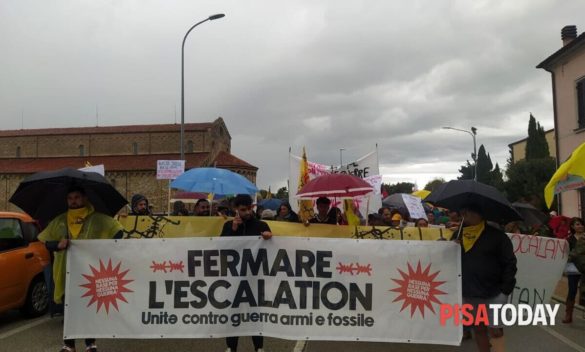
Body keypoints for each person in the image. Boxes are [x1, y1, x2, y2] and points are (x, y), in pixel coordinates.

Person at [38, 186, 124, 352]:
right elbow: (44, 242)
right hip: (64, 271)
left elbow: (118, 232)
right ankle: (69, 345)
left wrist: (104, 248)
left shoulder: (98, 219)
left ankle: (90, 344)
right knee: (67, 308)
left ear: (84, 198)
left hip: (90, 273)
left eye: (77, 197)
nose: (74, 201)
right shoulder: (60, 220)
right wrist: (57, 244)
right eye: (70, 198)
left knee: (88, 308)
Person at [455, 204, 517, 352]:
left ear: (479, 214)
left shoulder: (498, 236)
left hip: (495, 293)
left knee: (496, 331)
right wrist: (452, 247)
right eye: (463, 212)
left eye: (468, 211)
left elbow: (510, 262)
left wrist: (505, 290)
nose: (465, 214)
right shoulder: (458, 235)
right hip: (469, 292)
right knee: (479, 329)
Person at [220, 194, 271, 352]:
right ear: (236, 210)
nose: (247, 212)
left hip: (254, 277)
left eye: (249, 209)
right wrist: (234, 230)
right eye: (243, 210)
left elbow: (271, 247)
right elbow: (221, 246)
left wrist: (269, 237)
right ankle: (231, 347)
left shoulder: (261, 224)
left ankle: (259, 347)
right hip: (233, 277)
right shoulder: (229, 225)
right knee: (233, 312)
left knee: (254, 312)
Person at [564, 217, 585, 323]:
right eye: (577, 224)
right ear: (572, 227)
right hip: (572, 267)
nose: (580, 226)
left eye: (581, 224)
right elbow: (566, 254)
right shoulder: (569, 240)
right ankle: (568, 314)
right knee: (572, 290)